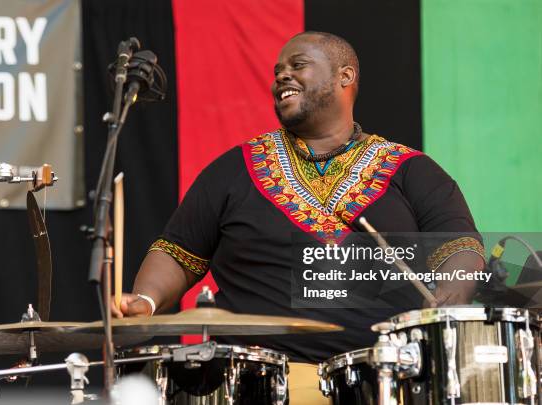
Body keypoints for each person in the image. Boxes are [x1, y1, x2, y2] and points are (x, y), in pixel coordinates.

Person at [111, 31, 485, 404]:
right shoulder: (233, 169)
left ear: (345, 76)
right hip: (261, 384)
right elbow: (178, 250)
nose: (281, 77)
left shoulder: (412, 170)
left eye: (298, 65)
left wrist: (446, 299)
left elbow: (460, 246)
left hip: (386, 381)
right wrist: (146, 299)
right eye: (277, 71)